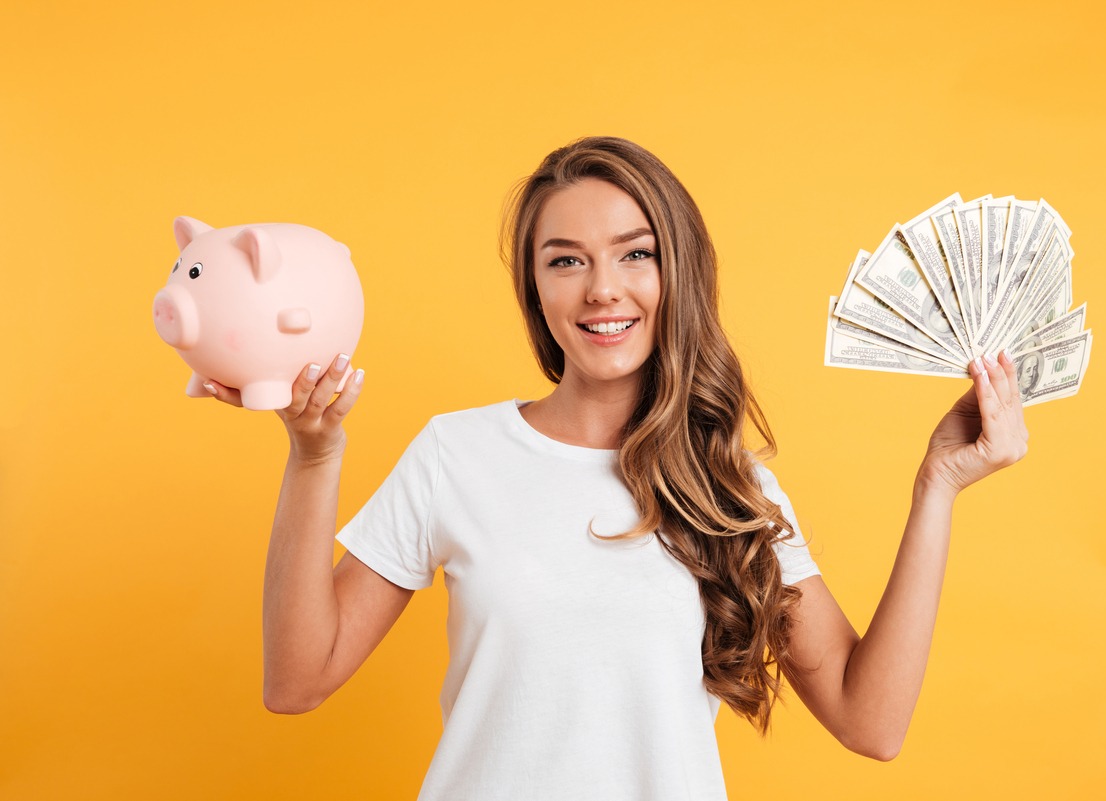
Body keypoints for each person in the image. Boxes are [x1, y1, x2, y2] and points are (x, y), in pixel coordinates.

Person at [202, 136, 1030, 800]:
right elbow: (297, 679)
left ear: (678, 274)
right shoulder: (457, 454)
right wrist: (315, 455)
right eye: (565, 260)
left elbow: (870, 720)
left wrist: (939, 488)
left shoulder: (728, 485)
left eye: (635, 254)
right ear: (536, 288)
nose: (603, 289)